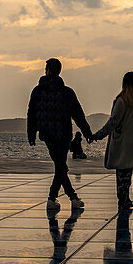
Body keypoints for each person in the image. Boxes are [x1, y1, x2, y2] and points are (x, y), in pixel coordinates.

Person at [27, 57, 92, 210]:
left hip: (48, 134)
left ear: (48, 70)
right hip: (63, 134)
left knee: (60, 167)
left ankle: (53, 199)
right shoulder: (66, 92)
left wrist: (31, 133)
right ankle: (71, 198)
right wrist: (87, 132)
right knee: (61, 166)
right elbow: (78, 114)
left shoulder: (37, 91)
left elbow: (31, 114)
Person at [92, 71, 133, 210]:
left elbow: (113, 121)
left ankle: (124, 201)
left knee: (123, 176)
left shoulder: (122, 100)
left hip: (125, 143)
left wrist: (98, 135)